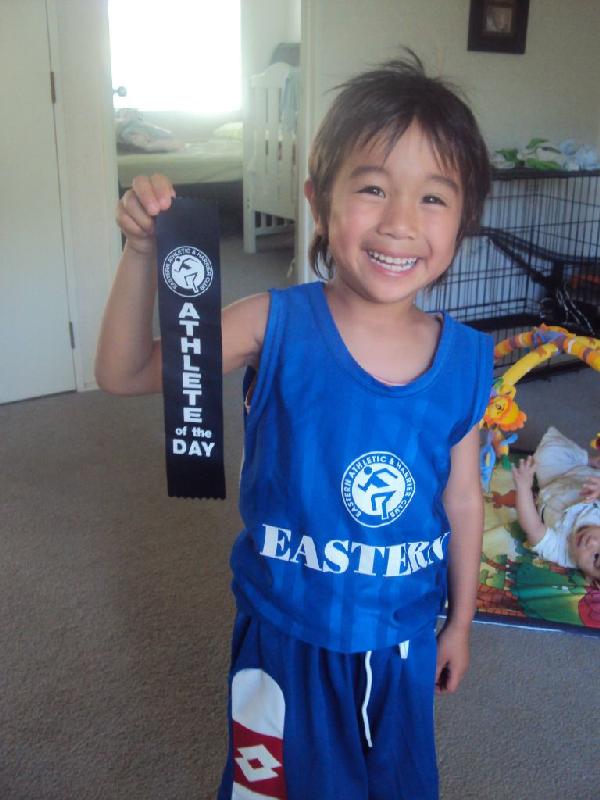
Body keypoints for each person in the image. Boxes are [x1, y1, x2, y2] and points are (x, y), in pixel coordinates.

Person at [95, 54, 494, 800]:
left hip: (402, 637)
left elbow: (464, 499)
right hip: (284, 637)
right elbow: (124, 372)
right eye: (372, 187)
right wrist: (142, 252)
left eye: (433, 198)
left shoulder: (467, 361)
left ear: (463, 218)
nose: (400, 221)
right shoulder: (272, 324)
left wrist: (461, 622)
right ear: (318, 200)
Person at [512, 426, 600, 582]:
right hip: (579, 474)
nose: (592, 542)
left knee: (544, 455)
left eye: (596, 557)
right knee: (554, 450)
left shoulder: (563, 553)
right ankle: (591, 461)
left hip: (551, 483)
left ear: (590, 578)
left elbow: (533, 529)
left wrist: (524, 488)